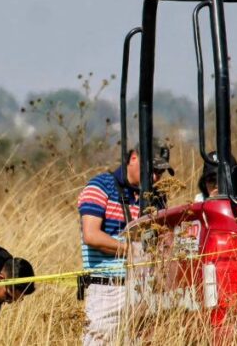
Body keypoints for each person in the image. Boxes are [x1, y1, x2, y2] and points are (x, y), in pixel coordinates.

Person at [77, 138, 174, 346]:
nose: (156, 177)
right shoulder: (100, 186)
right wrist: (131, 250)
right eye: (152, 170)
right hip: (107, 287)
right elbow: (91, 235)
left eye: (160, 172)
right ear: (133, 158)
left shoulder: (157, 197)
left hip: (144, 289)